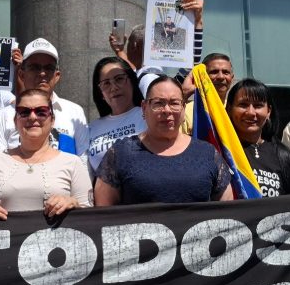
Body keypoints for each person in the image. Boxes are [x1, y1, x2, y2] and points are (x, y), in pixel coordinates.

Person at [95, 75, 233, 205]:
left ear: (183, 108)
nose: (167, 110)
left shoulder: (207, 153)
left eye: (174, 103)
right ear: (144, 108)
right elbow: (103, 212)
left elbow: (227, 211)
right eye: (158, 103)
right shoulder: (120, 153)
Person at [0, 89, 91, 220]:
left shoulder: (72, 163)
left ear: (52, 120)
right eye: (24, 112)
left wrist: (74, 204)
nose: (32, 117)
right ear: (15, 121)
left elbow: (89, 216)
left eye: (41, 112)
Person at [0, 38, 88, 160]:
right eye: (34, 67)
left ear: (57, 76)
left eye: (49, 68)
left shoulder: (74, 112)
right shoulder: (3, 116)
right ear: (22, 75)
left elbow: (83, 160)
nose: (42, 73)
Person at [225, 79, 290, 197]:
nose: (251, 112)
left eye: (258, 106)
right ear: (230, 109)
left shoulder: (284, 156)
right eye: (243, 105)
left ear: (268, 112)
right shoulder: (220, 151)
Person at [87, 57, 146, 176]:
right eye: (106, 83)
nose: (114, 87)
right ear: (101, 94)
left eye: (119, 79)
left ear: (132, 82)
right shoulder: (91, 128)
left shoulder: (147, 117)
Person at [181, 53, 233, 135]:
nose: (221, 77)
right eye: (214, 72)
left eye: (225, 72)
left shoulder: (235, 110)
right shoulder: (187, 111)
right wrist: (183, 95)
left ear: (232, 78)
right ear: (202, 77)